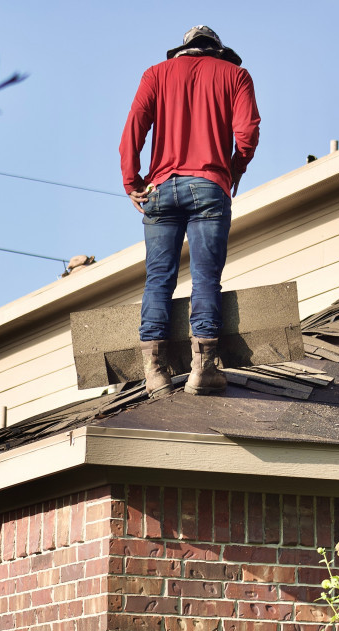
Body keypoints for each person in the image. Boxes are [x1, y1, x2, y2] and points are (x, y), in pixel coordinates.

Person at [120, 25, 260, 398]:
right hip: (209, 186)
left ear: (183, 50)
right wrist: (231, 171)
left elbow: (134, 127)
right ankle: (204, 368)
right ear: (217, 51)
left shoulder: (155, 74)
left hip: (161, 189)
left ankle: (154, 372)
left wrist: (131, 182)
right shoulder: (236, 75)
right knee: (205, 278)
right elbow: (247, 134)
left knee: (158, 279)